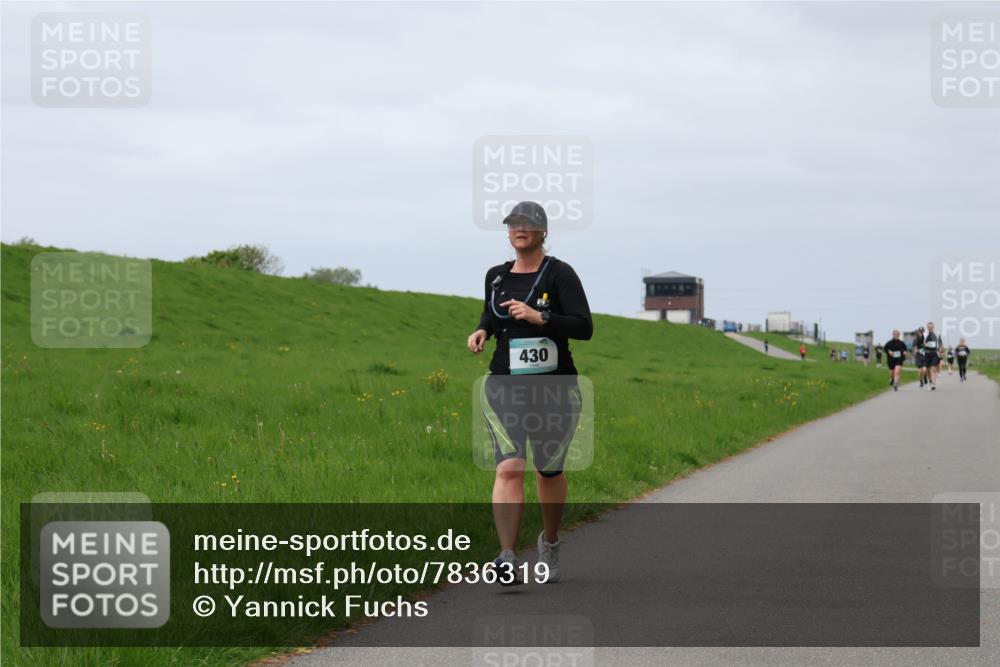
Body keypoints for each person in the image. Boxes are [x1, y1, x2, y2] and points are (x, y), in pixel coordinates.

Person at [467, 201, 592, 585]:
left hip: (554, 387)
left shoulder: (560, 274)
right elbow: (493, 312)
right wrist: (483, 330)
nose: (520, 228)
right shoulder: (496, 276)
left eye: (528, 223)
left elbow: (584, 327)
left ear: (543, 232)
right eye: (513, 224)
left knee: (548, 469)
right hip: (504, 384)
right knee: (509, 466)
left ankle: (550, 542)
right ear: (508, 232)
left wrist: (542, 318)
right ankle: (506, 557)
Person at [923, 322, 942, 390]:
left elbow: (940, 342)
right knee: (927, 370)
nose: (930, 328)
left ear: (933, 327)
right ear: (927, 327)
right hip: (927, 354)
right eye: (929, 327)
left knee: (933, 368)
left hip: (934, 353)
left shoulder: (937, 334)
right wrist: (924, 345)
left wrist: (940, 348)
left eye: (931, 327)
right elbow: (921, 343)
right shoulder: (924, 335)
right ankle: (930, 381)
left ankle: (933, 384)